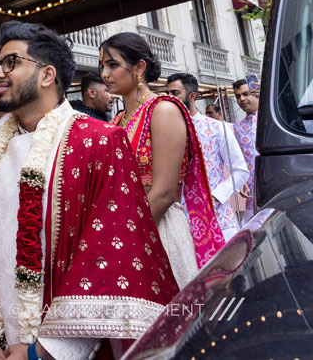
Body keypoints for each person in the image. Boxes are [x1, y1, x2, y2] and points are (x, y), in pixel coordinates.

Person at [0, 22, 179, 360]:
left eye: (11, 63)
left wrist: (43, 353)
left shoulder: (100, 141)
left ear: (47, 75)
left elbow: (112, 260)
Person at [99, 32, 224, 288]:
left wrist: (126, 239)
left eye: (112, 65)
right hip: (121, 231)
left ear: (139, 67)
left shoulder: (163, 110)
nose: (104, 75)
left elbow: (165, 193)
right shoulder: (116, 121)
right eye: (102, 67)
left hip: (158, 229)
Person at [165, 74, 249, 242]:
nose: (169, 99)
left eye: (175, 93)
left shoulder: (217, 128)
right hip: (182, 227)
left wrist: (215, 197)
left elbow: (240, 171)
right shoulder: (165, 132)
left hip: (219, 221)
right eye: (167, 94)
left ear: (192, 96)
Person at [232, 78, 260, 221]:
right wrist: (242, 181)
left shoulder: (274, 119)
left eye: (246, 94)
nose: (241, 99)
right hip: (253, 194)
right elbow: (238, 160)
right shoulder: (236, 128)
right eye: (238, 96)